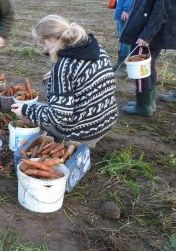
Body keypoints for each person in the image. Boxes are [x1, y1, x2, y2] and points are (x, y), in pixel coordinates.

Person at [11, 15, 118, 147]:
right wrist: (59, 76)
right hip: (106, 118)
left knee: (29, 111)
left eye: (43, 43)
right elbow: (86, 74)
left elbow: (59, 116)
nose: (43, 48)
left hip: (83, 131)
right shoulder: (94, 48)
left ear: (51, 39)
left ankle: (64, 142)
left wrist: (27, 110)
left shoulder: (63, 68)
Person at [120, 0, 176, 114]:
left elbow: (160, 12)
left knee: (140, 67)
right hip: (146, 29)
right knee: (148, 65)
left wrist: (146, 36)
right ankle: (148, 102)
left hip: (147, 33)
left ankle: (143, 106)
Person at [112, 0, 133, 71]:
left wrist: (127, 9)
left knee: (125, 38)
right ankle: (120, 61)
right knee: (121, 37)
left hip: (125, 12)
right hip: (120, 10)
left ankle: (124, 64)